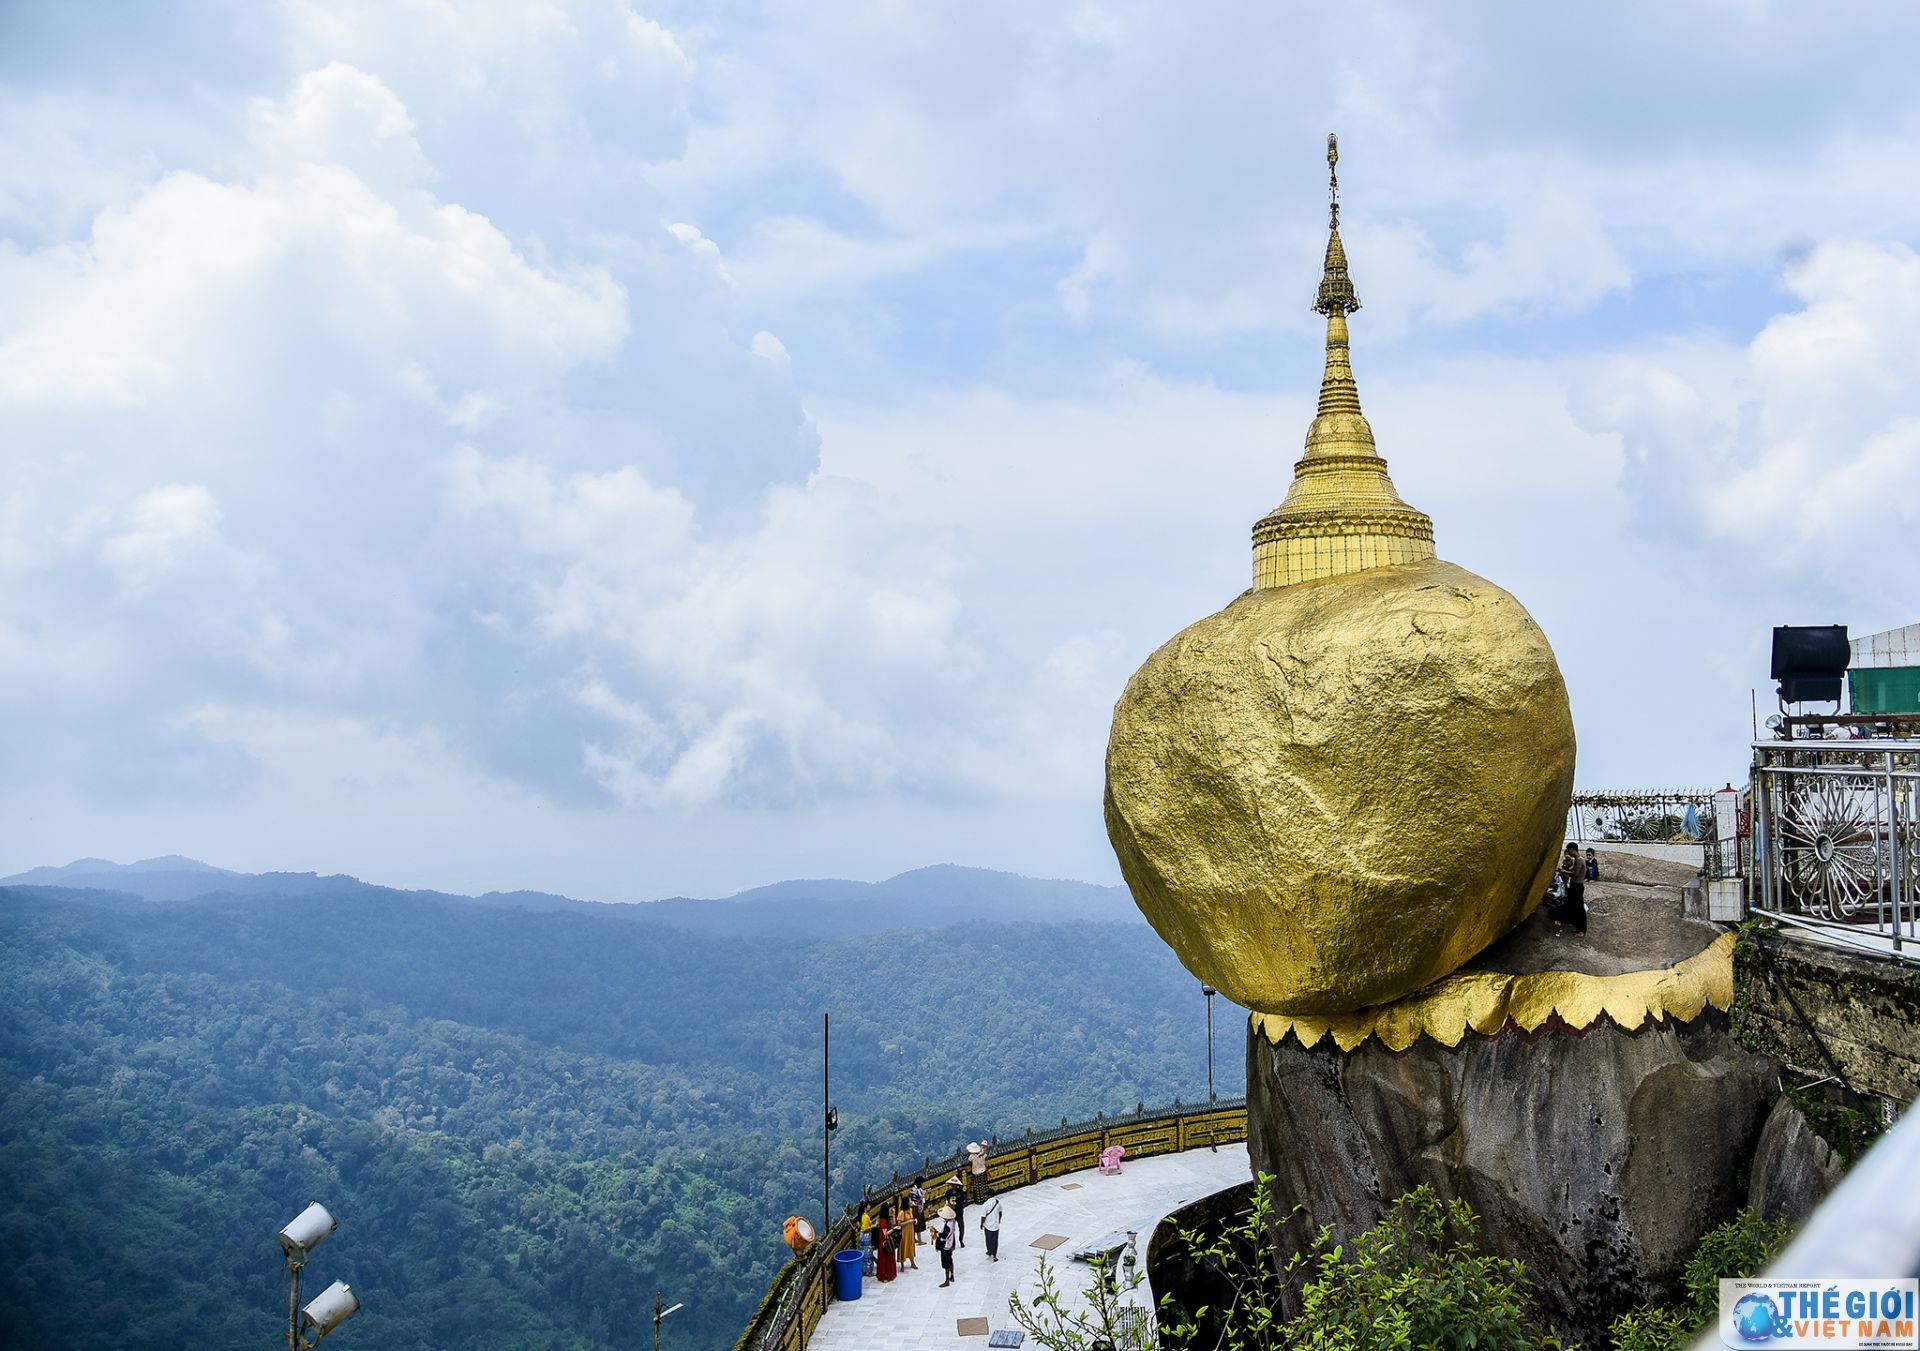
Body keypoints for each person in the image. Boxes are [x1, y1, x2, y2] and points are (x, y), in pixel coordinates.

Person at [1557, 843, 1588, 934]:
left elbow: (1575, 874)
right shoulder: (1578, 860)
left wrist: (1564, 871)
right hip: (1575, 886)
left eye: (1568, 850)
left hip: (1577, 887)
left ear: (1572, 849)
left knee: (1579, 908)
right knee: (1571, 905)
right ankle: (1572, 922)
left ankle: (1582, 929)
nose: (1568, 853)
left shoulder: (1579, 860)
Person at [935, 1205, 958, 1288]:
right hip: (951, 1243)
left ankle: (947, 1280)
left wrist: (937, 1234)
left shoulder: (948, 1226)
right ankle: (952, 1275)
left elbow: (944, 1236)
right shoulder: (952, 1222)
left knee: (946, 1263)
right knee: (950, 1260)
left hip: (946, 1246)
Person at [945, 1173, 968, 1246]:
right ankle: (953, 1242)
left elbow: (963, 1203)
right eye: (952, 1184)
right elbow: (946, 1201)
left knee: (961, 1227)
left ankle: (961, 1239)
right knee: (951, 1229)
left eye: (954, 1184)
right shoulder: (948, 1193)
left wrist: (955, 1206)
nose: (953, 1186)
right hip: (950, 1213)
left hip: (959, 1212)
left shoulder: (961, 1193)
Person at [875, 1209, 897, 1283]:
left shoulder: (887, 1219)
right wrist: (894, 1229)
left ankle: (889, 1274)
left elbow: (893, 1223)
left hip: (886, 1239)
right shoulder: (883, 1221)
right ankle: (884, 1276)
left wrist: (893, 1214)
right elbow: (885, 1233)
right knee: (885, 1257)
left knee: (889, 1256)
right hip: (884, 1240)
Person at [980, 1192, 1002, 1261]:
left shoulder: (985, 1204)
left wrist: (981, 1224)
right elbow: (1000, 1212)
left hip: (988, 1225)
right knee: (995, 1240)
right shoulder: (998, 1203)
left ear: (989, 1195)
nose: (985, 1196)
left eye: (986, 1195)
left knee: (988, 1239)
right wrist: (998, 1220)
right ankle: (994, 1254)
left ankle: (989, 1251)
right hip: (995, 1225)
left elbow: (983, 1216)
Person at [897, 1200, 918, 1270]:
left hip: (911, 1232)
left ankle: (912, 1262)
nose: (911, 1202)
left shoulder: (911, 1210)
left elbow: (912, 1219)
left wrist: (914, 1221)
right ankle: (902, 1265)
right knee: (903, 1247)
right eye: (909, 1202)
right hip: (904, 1232)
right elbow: (899, 1224)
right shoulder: (902, 1212)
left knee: (911, 1246)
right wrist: (909, 1221)